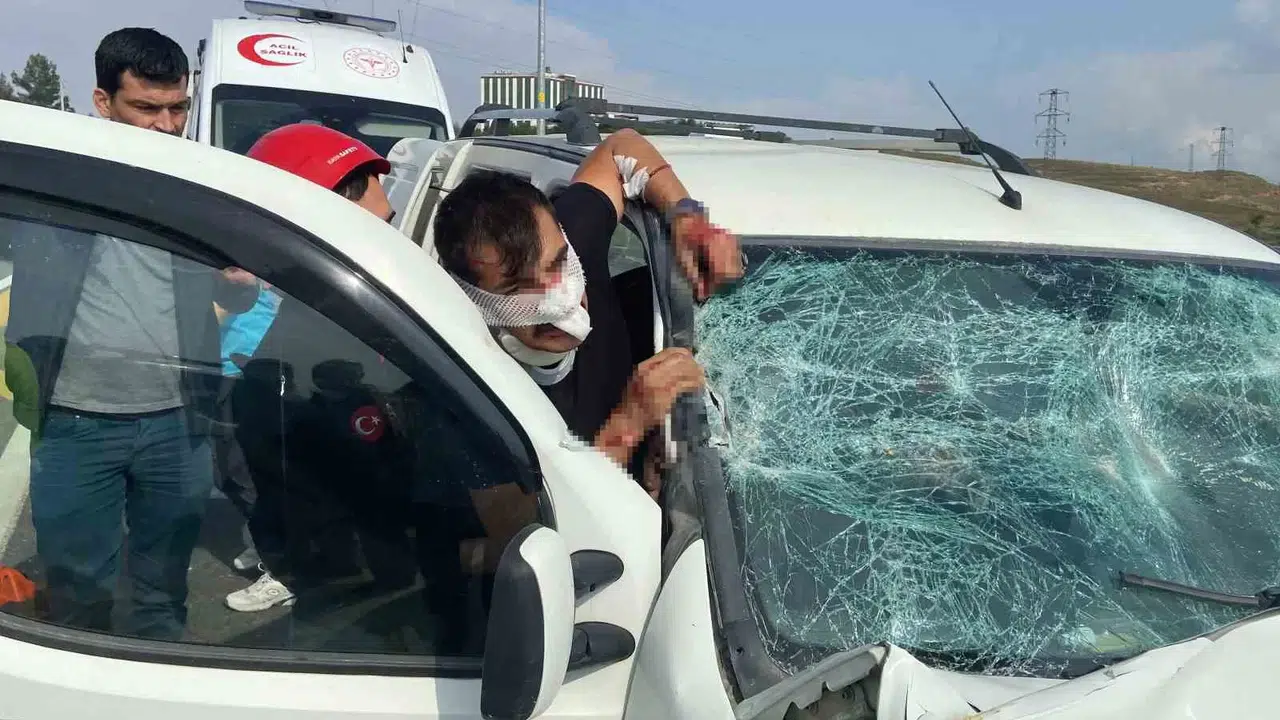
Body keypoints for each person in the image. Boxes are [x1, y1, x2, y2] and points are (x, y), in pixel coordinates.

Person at [3, 27, 258, 639]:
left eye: (178, 109)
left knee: (163, 593)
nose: (167, 126)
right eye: (146, 108)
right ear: (103, 101)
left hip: (177, 423)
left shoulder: (201, 191)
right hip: (74, 421)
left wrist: (238, 284)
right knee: (77, 591)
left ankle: (159, 674)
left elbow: (236, 294)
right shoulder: (57, 183)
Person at [432, 128, 743, 497]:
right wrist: (628, 426)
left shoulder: (575, 241)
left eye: (558, 263)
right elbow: (536, 526)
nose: (560, 297)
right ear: (474, 299)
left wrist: (687, 216)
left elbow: (619, 148)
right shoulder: (466, 400)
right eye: (518, 288)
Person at [220, 123, 399, 612]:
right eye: (374, 225)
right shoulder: (310, 323)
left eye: (389, 222)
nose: (391, 240)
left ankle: (298, 565)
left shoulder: (363, 300)